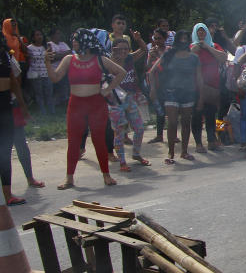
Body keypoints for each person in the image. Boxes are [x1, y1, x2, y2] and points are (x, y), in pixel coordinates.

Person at [45, 29, 125, 189]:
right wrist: (47, 62)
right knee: (73, 141)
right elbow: (55, 77)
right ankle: (69, 178)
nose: (74, 42)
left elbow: (121, 73)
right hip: (75, 105)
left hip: (96, 104)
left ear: (86, 42)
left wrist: (107, 90)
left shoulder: (100, 59)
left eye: (77, 39)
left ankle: (106, 175)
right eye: (73, 39)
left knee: (99, 140)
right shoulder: (69, 59)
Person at [150, 30, 202, 164]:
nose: (183, 41)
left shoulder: (194, 58)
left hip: (188, 93)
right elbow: (152, 71)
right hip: (171, 92)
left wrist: (201, 97)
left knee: (185, 123)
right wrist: (153, 90)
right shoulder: (169, 54)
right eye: (181, 38)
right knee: (172, 123)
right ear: (177, 40)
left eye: (186, 38)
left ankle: (184, 151)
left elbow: (200, 79)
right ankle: (171, 152)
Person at [107, 36, 150, 170]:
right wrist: (115, 59)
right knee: (119, 132)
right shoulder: (109, 62)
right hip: (115, 101)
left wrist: (138, 39)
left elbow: (144, 49)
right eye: (120, 49)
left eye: (126, 49)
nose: (124, 52)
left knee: (139, 128)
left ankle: (136, 154)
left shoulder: (130, 58)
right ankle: (122, 162)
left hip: (130, 98)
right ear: (114, 49)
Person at [0, 48, 31, 205]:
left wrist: (22, 105)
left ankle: (7, 194)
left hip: (6, 103)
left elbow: (13, 81)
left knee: (5, 151)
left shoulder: (5, 55)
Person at [190, 23, 227, 153]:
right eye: (199, 31)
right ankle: (198, 143)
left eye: (203, 31)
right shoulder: (191, 47)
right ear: (195, 33)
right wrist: (196, 48)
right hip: (196, 87)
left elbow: (223, 58)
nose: (201, 34)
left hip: (213, 86)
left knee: (213, 115)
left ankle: (212, 140)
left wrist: (207, 46)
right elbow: (186, 60)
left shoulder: (214, 46)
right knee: (197, 115)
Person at [25, 29, 54, 115]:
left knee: (49, 93)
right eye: (37, 35)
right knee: (39, 94)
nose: (39, 36)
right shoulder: (29, 48)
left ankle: (52, 111)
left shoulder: (46, 47)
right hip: (35, 74)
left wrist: (50, 50)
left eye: (40, 34)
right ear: (33, 37)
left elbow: (51, 59)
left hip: (46, 73)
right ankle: (43, 112)